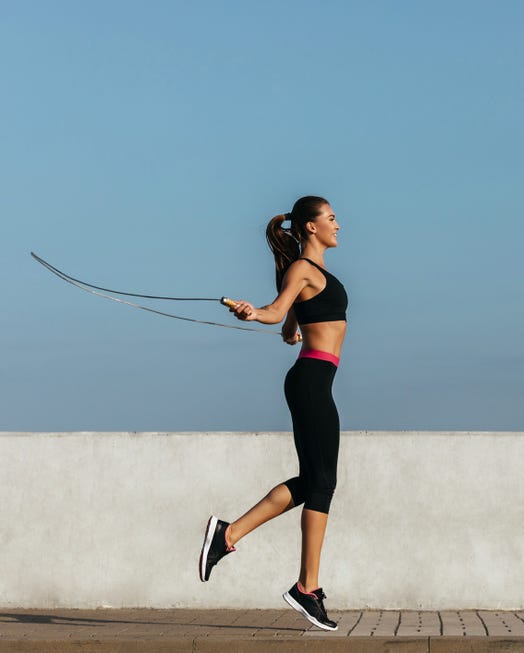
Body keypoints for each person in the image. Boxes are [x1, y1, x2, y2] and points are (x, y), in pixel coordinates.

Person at [198, 196, 346, 631]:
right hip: (311, 380)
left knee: (315, 481)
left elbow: (289, 319)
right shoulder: (303, 268)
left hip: (316, 380)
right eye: (332, 218)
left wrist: (289, 330)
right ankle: (306, 588)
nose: (339, 225)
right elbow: (277, 310)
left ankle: (227, 536)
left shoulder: (311, 274)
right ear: (311, 227)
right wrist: (254, 312)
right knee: (322, 483)